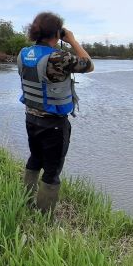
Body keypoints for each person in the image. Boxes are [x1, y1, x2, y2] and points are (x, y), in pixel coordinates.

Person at [16, 12, 94, 214]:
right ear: (57, 33)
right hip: (54, 124)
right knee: (52, 171)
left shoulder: (24, 53)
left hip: (31, 118)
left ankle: (25, 202)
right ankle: (45, 216)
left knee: (35, 159)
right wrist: (72, 40)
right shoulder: (59, 57)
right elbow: (89, 64)